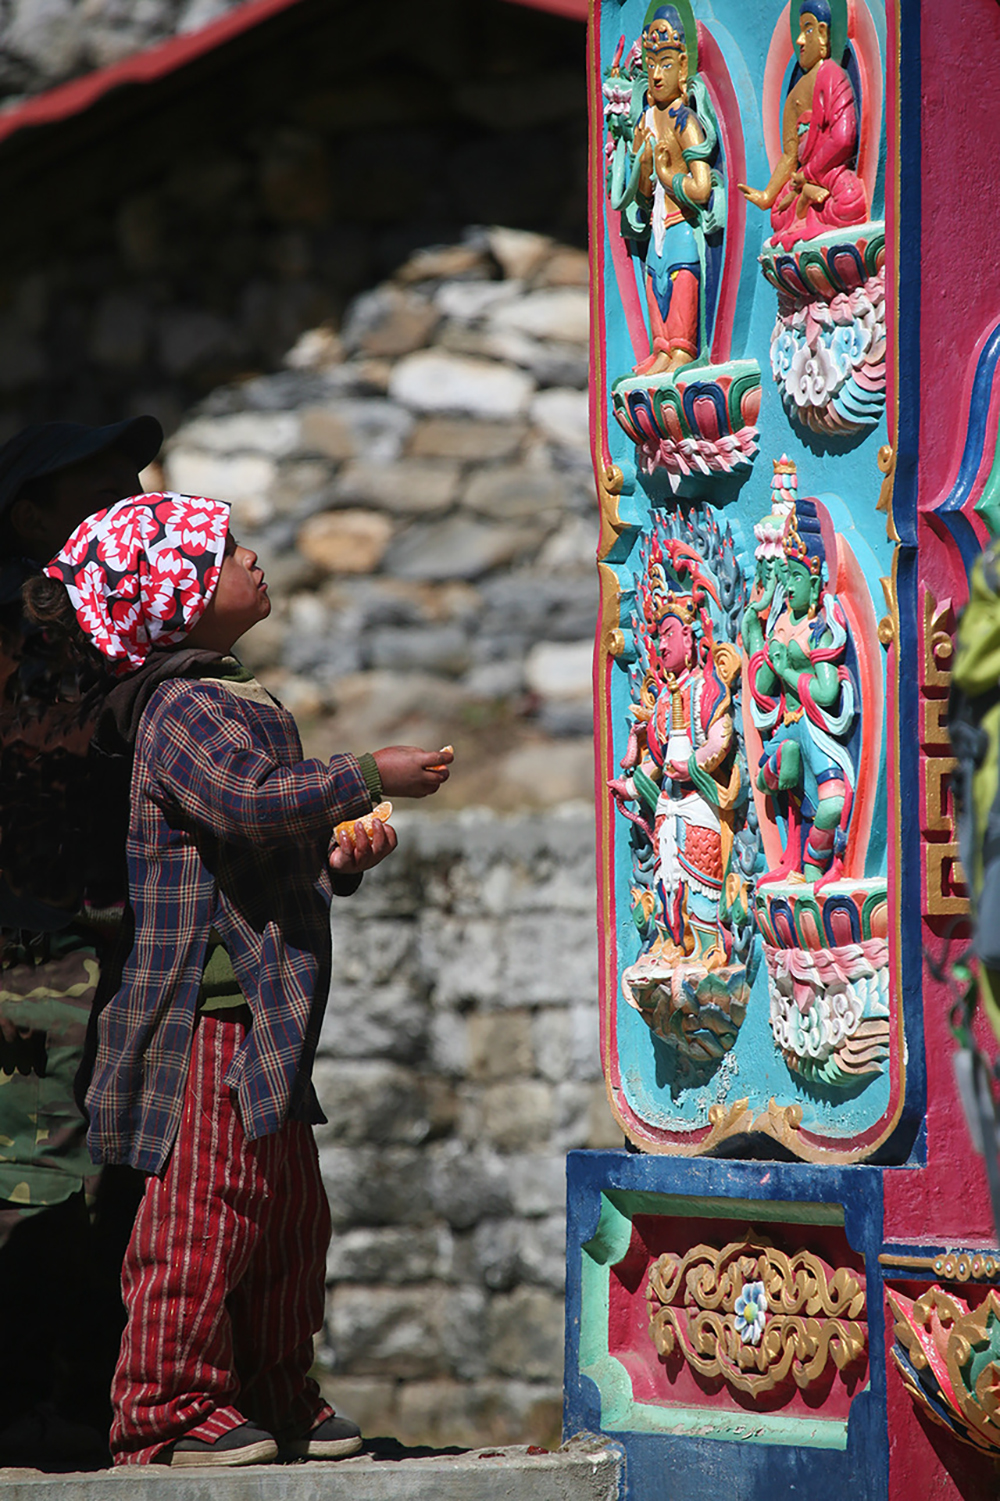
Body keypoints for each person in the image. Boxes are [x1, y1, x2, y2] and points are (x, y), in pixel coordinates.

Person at [34, 490, 454, 1467]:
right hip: (205, 1014)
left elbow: (256, 846)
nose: (253, 559)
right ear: (175, 595)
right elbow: (247, 803)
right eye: (224, 553)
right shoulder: (180, 705)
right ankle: (166, 1408)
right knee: (204, 1208)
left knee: (290, 1221)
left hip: (266, 1014)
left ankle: (275, 1388)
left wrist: (335, 855)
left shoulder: (232, 693)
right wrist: (364, 774)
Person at [0, 417, 162, 1466]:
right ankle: (33, 1407)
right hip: (38, 946)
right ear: (34, 514)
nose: (133, 507)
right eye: (105, 489)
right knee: (44, 1171)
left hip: (70, 934)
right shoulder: (41, 613)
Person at [738, 0, 867, 251]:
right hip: (802, 180)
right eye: (799, 32)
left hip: (828, 173)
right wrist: (767, 196)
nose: (799, 41)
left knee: (851, 198)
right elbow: (789, 154)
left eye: (807, 30)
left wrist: (807, 175)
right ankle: (805, 200)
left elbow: (842, 139)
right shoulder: (795, 95)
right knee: (777, 214)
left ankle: (807, 201)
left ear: (823, 33)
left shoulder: (832, 74)